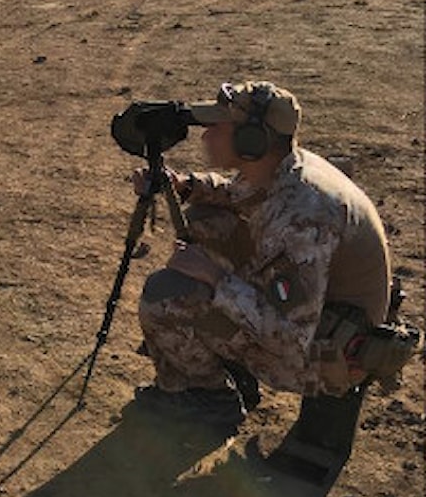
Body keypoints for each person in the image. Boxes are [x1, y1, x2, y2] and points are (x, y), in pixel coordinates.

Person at [131, 81, 390, 428]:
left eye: (217, 128)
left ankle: (209, 398)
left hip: (325, 360)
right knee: (208, 223)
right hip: (322, 319)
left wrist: (215, 279)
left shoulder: (303, 215)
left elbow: (289, 338)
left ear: (251, 142)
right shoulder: (284, 166)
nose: (206, 136)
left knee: (165, 298)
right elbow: (238, 196)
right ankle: (220, 369)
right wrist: (186, 185)